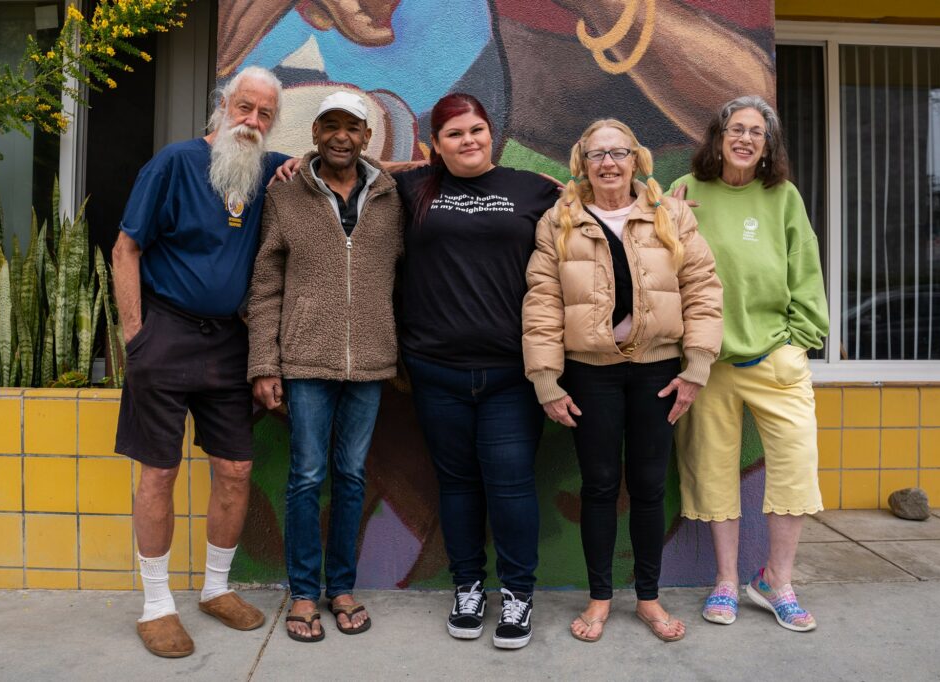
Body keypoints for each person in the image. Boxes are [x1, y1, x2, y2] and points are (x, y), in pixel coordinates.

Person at [111, 65, 289, 658]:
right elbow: (126, 248)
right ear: (222, 105)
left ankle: (216, 589)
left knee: (236, 469)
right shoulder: (174, 162)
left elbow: (346, 168)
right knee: (159, 472)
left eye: (265, 114)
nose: (253, 121)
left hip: (229, 344)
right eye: (245, 107)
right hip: (165, 334)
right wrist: (135, 337)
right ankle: (157, 603)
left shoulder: (269, 169)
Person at [522, 119, 722, 643]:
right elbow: (542, 302)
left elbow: (702, 288)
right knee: (599, 486)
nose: (608, 163)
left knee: (651, 487)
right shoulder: (559, 221)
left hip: (658, 371)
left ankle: (650, 600)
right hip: (591, 375)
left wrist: (696, 367)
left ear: (637, 159)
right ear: (581, 163)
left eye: (619, 152)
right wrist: (546, 379)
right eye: (596, 154)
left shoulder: (670, 215)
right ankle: (600, 598)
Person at [394, 93, 560, 650]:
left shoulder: (532, 189)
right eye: (455, 134)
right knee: (458, 486)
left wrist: (664, 199)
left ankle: (518, 594)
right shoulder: (412, 188)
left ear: (493, 133)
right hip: (436, 370)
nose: (469, 140)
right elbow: (361, 170)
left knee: (511, 486)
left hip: (511, 373)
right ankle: (468, 586)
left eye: (477, 130)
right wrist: (294, 163)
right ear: (435, 145)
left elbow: (599, 205)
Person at [247, 91, 404, 643]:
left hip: (370, 362)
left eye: (353, 128)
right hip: (305, 362)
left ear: (367, 137)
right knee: (307, 477)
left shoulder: (390, 195)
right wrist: (265, 364)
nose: (341, 136)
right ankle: (305, 594)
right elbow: (265, 285)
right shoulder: (285, 194)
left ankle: (341, 588)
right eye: (330, 125)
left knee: (352, 476)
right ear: (314, 133)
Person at [670, 95, 829, 633]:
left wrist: (800, 340)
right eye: (734, 129)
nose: (743, 139)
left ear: (767, 147)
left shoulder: (782, 197)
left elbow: (805, 268)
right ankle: (725, 581)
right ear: (717, 139)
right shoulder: (685, 192)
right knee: (713, 472)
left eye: (755, 133)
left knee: (796, 464)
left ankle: (776, 581)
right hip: (706, 364)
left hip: (775, 358)